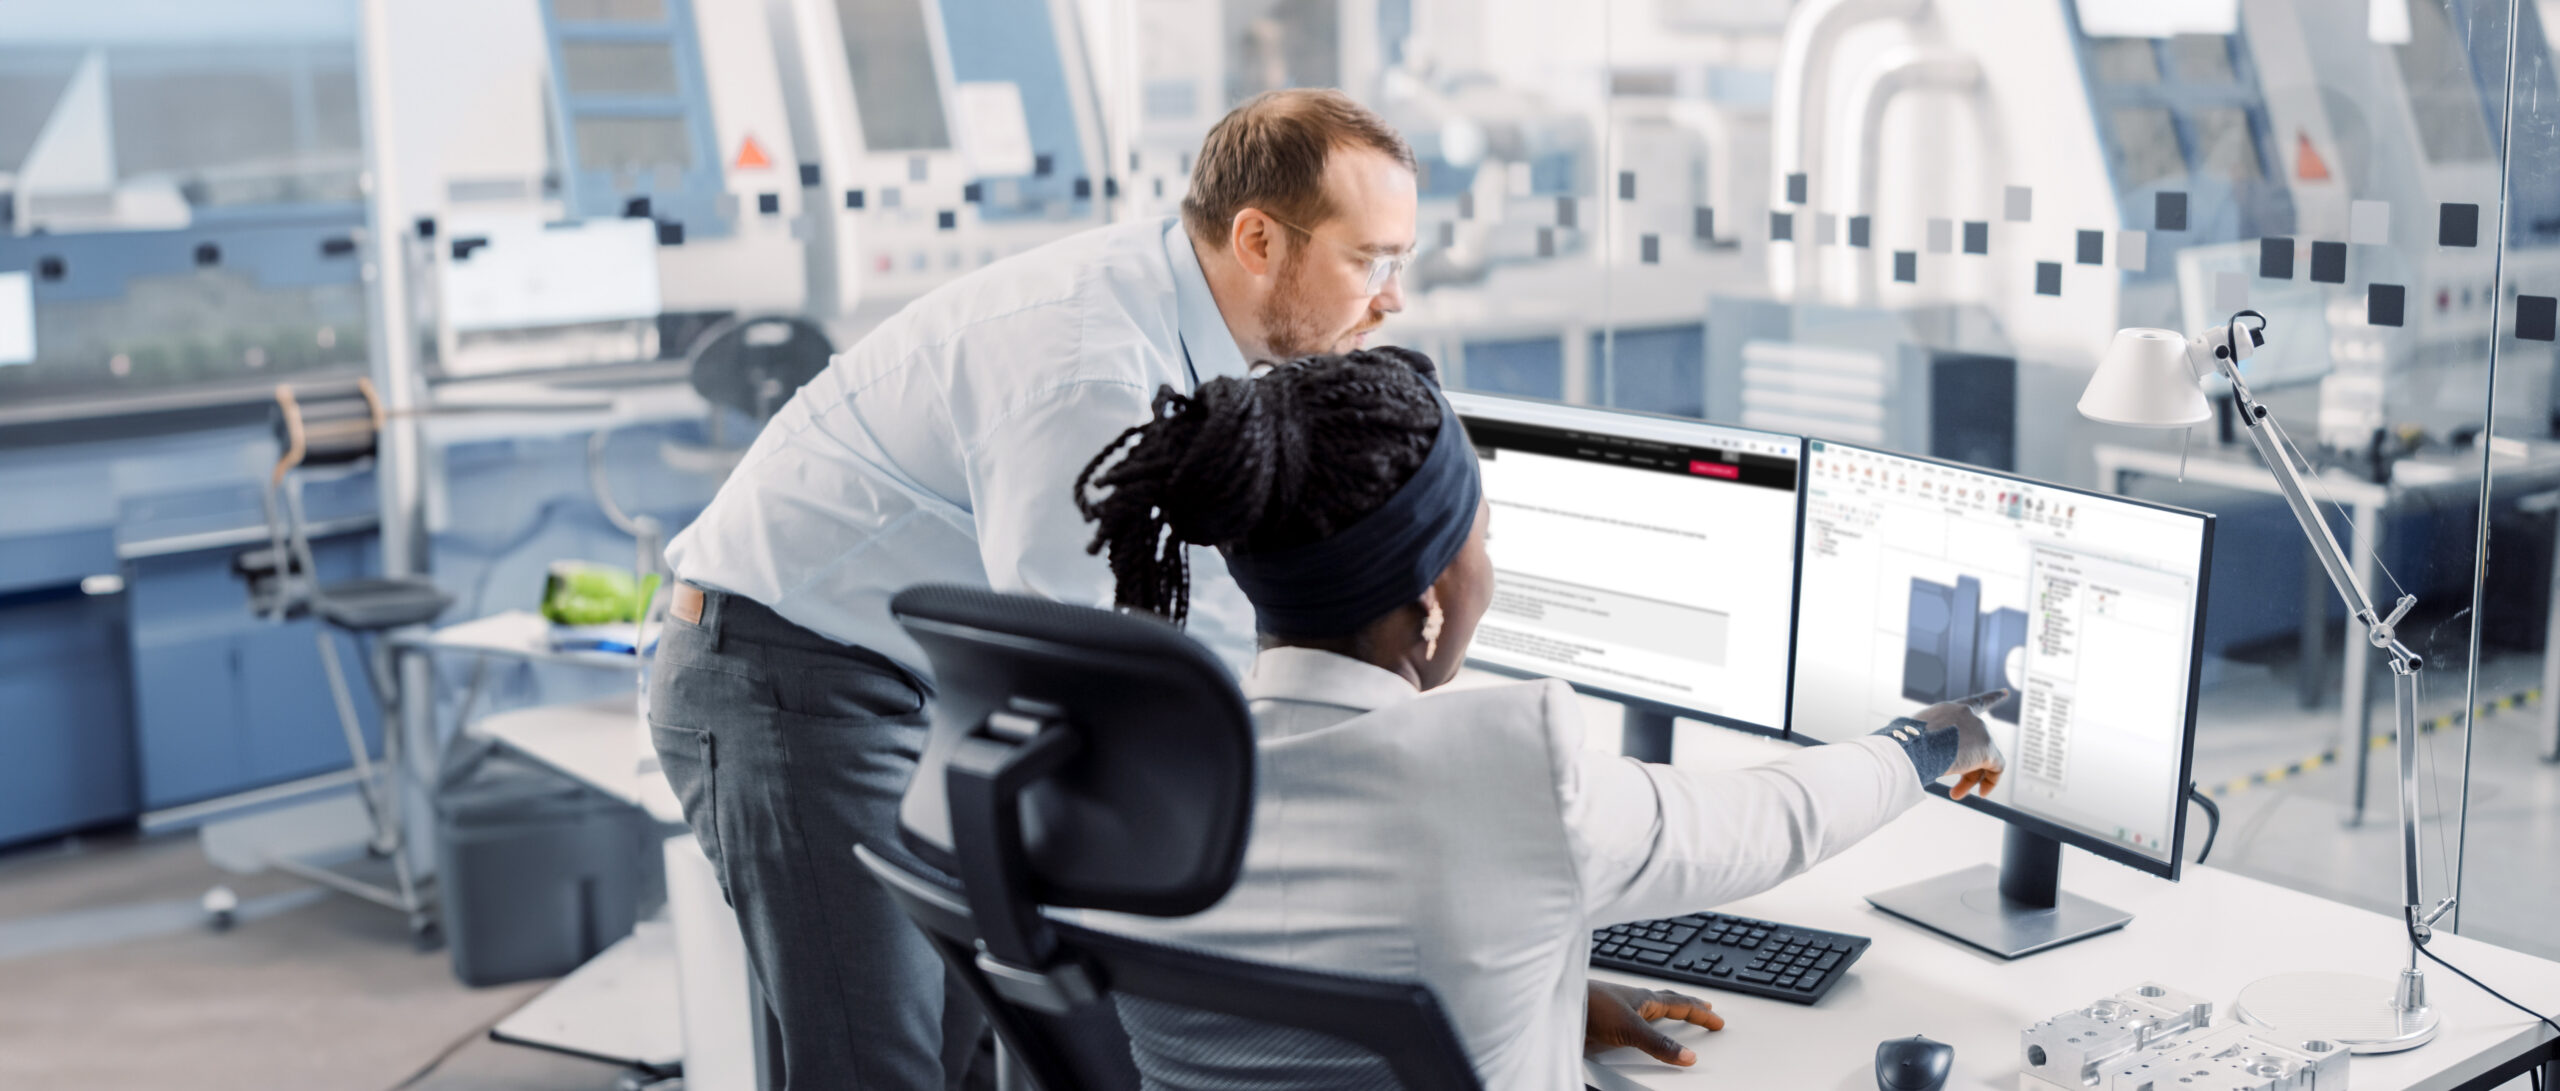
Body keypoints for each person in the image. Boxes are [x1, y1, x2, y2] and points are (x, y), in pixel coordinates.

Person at [646, 89, 1423, 1090]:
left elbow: (1190, 609)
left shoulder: (1193, 332)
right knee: (877, 1066)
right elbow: (1116, 657)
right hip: (789, 676)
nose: (1391, 298)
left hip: (919, 677)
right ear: (1258, 239)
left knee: (979, 1046)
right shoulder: (1085, 366)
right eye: (1372, 260)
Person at [1072, 347, 2004, 1090]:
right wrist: (1926, 743)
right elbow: (1772, 819)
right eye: (1483, 535)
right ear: (1435, 593)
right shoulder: (1502, 768)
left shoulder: (1143, 772)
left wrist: (1529, 999)